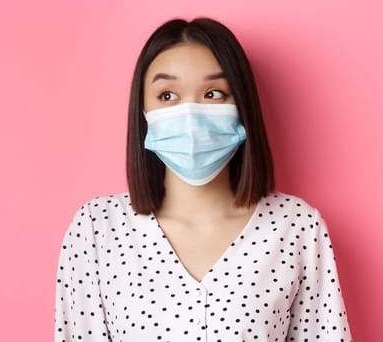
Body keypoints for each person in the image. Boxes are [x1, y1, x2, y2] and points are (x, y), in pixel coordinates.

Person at [53, 17, 353, 341]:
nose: (191, 114)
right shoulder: (97, 228)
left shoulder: (296, 227)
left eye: (213, 93)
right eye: (167, 96)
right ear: (143, 113)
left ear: (242, 106)